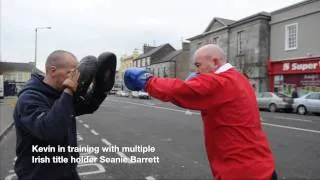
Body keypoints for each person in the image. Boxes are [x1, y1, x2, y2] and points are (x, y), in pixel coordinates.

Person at [124, 44, 277, 180]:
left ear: (215, 62)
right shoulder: (239, 78)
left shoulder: (220, 82)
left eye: (198, 65)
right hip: (262, 166)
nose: (196, 71)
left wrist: (146, 80)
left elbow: (180, 91)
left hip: (241, 172)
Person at [13, 50, 116, 180]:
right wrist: (69, 90)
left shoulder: (59, 93)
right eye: (70, 73)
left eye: (76, 73)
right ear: (52, 70)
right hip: (38, 175)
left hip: (67, 172)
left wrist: (100, 90)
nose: (75, 78)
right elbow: (50, 131)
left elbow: (87, 106)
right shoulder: (29, 98)